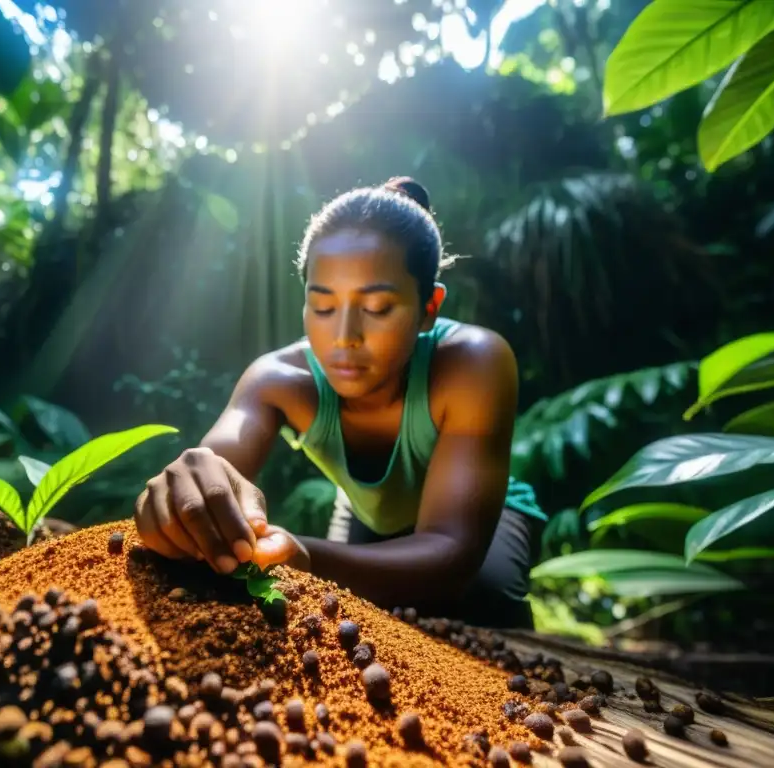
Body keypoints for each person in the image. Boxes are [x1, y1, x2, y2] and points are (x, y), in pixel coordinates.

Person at [133, 176, 547, 629]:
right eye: (324, 307)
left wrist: (308, 556)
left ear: (429, 307)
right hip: (365, 510)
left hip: (479, 516)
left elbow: (450, 551)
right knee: (339, 617)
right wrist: (189, 489)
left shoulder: (474, 363)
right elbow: (216, 461)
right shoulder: (278, 379)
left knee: (482, 610)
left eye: (376, 309)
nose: (344, 338)